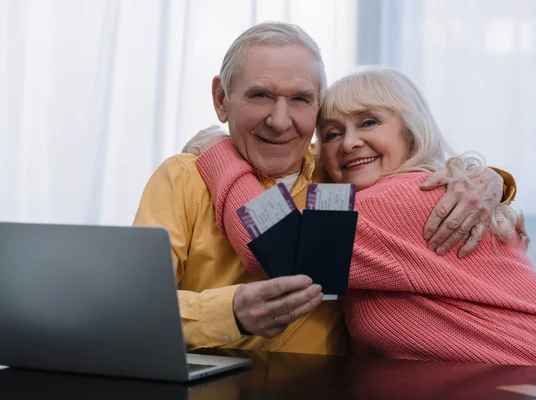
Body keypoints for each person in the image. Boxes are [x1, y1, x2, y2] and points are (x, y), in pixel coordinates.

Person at [134, 22, 513, 354]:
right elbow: (131, 311)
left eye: (300, 99)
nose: (280, 122)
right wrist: (227, 312)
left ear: (317, 104)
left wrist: (492, 180)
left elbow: (409, 179)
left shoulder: (341, 175)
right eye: (260, 95)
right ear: (221, 100)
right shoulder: (183, 179)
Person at [192, 66, 536, 367]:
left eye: (369, 122)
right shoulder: (390, 197)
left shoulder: (407, 195)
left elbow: (281, 249)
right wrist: (496, 178)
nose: (350, 142)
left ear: (409, 129)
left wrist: (222, 155)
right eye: (332, 133)